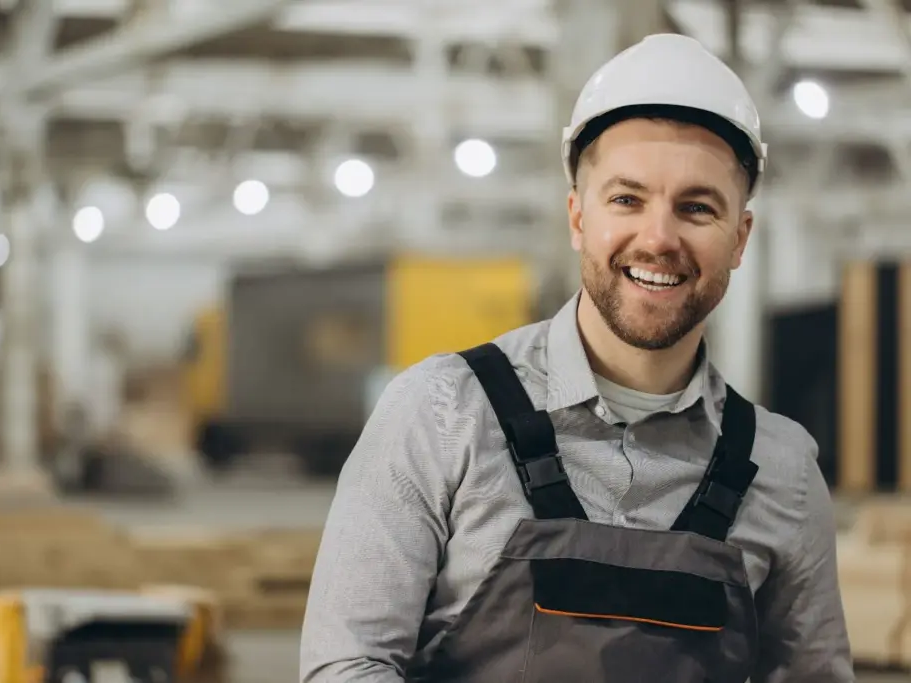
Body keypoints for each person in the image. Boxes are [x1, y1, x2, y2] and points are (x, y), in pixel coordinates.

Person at [299, 33, 855, 683]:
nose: (658, 237)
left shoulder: (782, 471)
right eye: (627, 199)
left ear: (740, 237)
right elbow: (347, 664)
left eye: (697, 207)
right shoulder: (440, 413)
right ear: (577, 217)